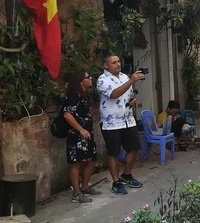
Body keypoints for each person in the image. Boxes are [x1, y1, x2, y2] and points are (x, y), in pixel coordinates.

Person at [96, 54, 145, 195]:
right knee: (114, 153)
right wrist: (131, 81)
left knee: (134, 148)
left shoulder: (124, 77)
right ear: (106, 65)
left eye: (118, 61)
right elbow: (114, 94)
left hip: (128, 120)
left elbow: (126, 95)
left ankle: (127, 175)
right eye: (114, 62)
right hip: (111, 122)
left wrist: (131, 101)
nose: (118, 64)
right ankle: (116, 182)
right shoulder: (102, 80)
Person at [62, 68, 98, 204]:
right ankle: (76, 193)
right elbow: (67, 114)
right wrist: (81, 129)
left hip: (87, 134)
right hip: (77, 135)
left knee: (91, 159)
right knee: (77, 162)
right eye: (87, 77)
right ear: (80, 82)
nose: (90, 79)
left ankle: (84, 186)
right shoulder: (74, 96)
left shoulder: (83, 96)